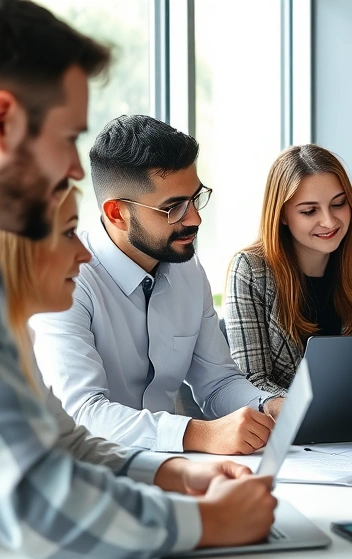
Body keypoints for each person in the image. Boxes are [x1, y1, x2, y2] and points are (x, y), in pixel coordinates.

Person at [0, 0, 274, 559]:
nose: (73, 167)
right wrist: (205, 522)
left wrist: (174, 473)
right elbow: (32, 500)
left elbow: (61, 443)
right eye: (68, 137)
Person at [30, 115, 282, 454]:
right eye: (173, 207)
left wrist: (270, 405)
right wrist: (198, 434)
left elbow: (218, 383)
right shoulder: (66, 280)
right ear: (117, 213)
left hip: (169, 472)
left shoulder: (188, 270)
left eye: (195, 198)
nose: (194, 218)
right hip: (88, 475)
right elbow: (82, 413)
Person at [224, 144, 352, 395]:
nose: (329, 221)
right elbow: (253, 382)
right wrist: (312, 409)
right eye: (309, 211)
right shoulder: (250, 270)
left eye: (338, 204)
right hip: (285, 427)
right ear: (282, 215)